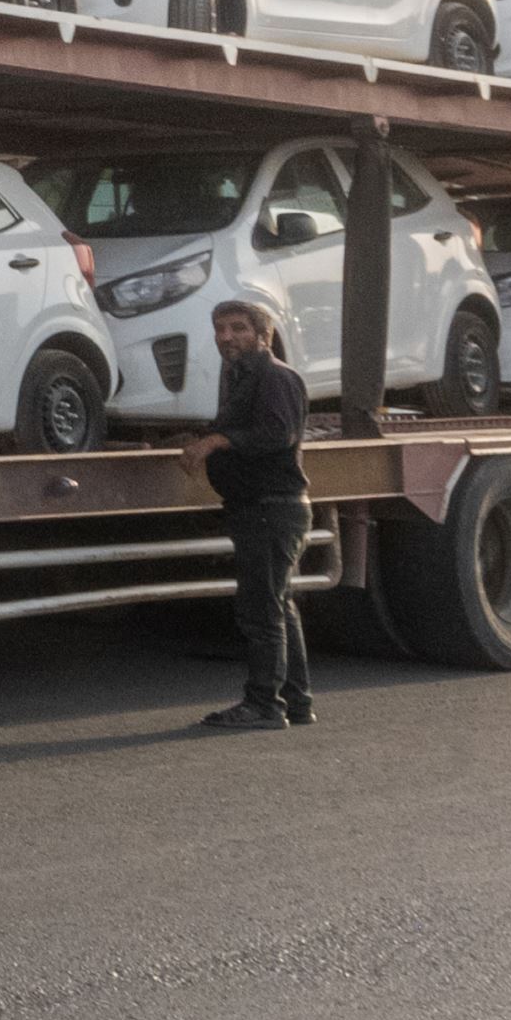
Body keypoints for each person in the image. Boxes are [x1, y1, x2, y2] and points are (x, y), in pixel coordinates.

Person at [197, 295, 318, 730]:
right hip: (259, 509)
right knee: (278, 606)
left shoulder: (275, 377)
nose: (226, 337)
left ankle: (264, 705)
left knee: (261, 610)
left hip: (272, 510)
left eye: (238, 328)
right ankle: (296, 701)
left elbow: (278, 434)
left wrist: (217, 443)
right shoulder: (240, 377)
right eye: (220, 329)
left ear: (263, 335)